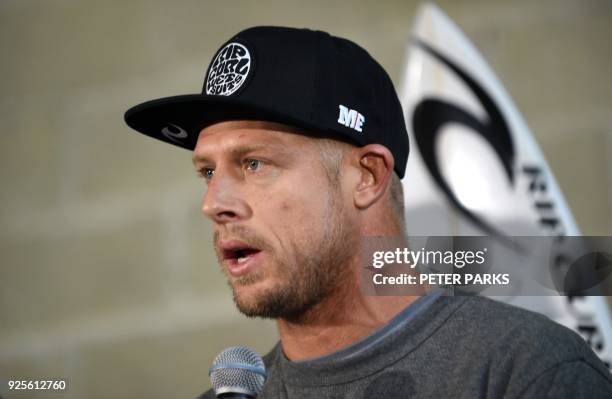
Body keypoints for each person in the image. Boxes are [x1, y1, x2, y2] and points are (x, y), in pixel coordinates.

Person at [124, 26, 612, 398]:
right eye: (208, 172)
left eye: (253, 163)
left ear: (368, 177)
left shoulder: (524, 371)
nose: (214, 204)